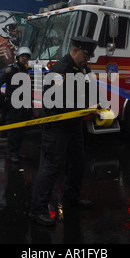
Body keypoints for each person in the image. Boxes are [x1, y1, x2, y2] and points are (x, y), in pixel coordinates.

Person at [29, 36, 98, 226]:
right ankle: (37, 209)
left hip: (74, 124)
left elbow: (88, 90)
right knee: (50, 166)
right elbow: (52, 103)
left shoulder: (82, 68)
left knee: (77, 161)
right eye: (85, 55)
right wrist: (80, 109)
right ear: (75, 50)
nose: (88, 59)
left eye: (89, 56)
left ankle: (72, 196)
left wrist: (94, 106)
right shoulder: (60, 70)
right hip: (57, 126)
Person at [0, 46, 31, 162]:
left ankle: (17, 152)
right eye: (22, 56)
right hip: (13, 104)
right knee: (13, 131)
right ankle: (12, 153)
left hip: (23, 105)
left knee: (21, 131)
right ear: (18, 57)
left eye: (26, 57)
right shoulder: (11, 69)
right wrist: (0, 101)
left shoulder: (25, 70)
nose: (25, 58)